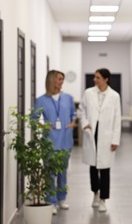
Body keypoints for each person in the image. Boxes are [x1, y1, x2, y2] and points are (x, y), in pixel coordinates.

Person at [78, 68, 121, 212]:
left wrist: (115, 139)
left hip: (106, 136)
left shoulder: (114, 96)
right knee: (93, 167)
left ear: (106, 79)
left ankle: (103, 199)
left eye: (97, 77)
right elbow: (81, 110)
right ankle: (95, 194)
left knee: (104, 169)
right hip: (92, 133)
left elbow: (117, 118)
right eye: (95, 77)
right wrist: (85, 123)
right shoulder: (88, 93)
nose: (94, 79)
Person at [34, 70, 76, 214]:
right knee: (50, 174)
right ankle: (51, 201)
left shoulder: (68, 98)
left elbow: (73, 114)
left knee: (62, 172)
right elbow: (33, 119)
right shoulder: (41, 100)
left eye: (62, 79)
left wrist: (72, 123)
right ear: (52, 80)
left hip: (65, 141)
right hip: (50, 141)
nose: (61, 82)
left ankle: (62, 199)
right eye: (59, 79)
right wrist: (44, 126)